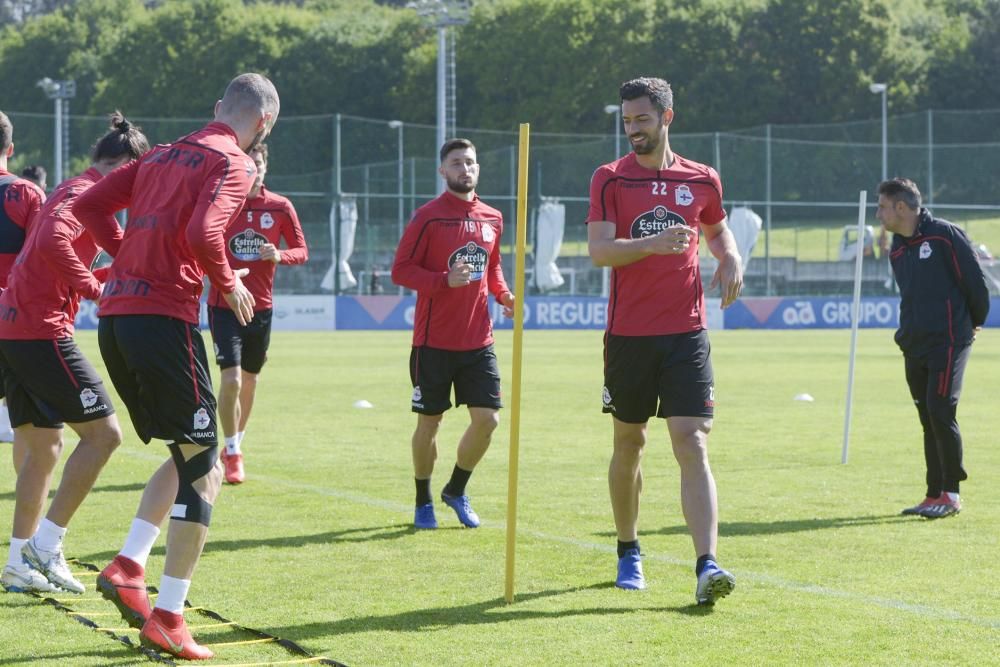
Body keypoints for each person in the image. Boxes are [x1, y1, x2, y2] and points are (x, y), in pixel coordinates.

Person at [72, 73, 279, 660]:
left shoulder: (163, 152)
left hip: (116, 319)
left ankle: (128, 564)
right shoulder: (234, 164)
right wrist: (228, 278)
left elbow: (90, 205)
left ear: (218, 108)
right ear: (263, 122)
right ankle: (167, 615)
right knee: (206, 467)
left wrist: (131, 255)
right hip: (162, 320)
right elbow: (203, 231)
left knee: (187, 450)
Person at [586, 77, 742, 604]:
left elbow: (716, 229)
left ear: (667, 117)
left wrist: (731, 255)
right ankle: (629, 548)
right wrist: (652, 243)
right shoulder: (609, 179)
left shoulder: (702, 179)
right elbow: (601, 251)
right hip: (628, 336)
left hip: (687, 334)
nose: (633, 130)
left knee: (693, 442)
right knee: (630, 443)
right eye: (627, 121)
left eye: (642, 120)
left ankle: (707, 565)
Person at [0, 113, 149, 595]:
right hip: (38, 330)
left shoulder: (79, 191)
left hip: (13, 327)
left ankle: (20, 560)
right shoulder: (83, 194)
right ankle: (46, 545)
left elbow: (121, 254)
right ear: (126, 167)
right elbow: (51, 240)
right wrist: (93, 289)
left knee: (44, 448)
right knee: (104, 436)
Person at [391, 138, 515, 530]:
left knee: (489, 420)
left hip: (479, 340)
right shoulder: (427, 217)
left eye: (471, 162)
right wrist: (444, 280)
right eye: (457, 163)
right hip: (433, 343)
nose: (466, 169)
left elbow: (492, 267)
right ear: (442, 170)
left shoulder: (493, 217)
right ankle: (422, 499)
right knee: (430, 423)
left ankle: (456, 489)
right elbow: (401, 270)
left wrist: (504, 294)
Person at [876, 177, 989, 520]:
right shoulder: (897, 247)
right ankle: (932, 494)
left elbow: (975, 284)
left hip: (949, 340)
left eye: (882, 206)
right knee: (928, 418)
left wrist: (972, 323)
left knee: (941, 410)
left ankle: (951, 495)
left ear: (900, 207)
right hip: (915, 344)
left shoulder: (944, 235)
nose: (878, 213)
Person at [207, 142, 308, 484]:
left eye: (260, 163)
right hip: (224, 304)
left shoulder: (279, 207)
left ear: (266, 166)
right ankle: (233, 451)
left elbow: (302, 250)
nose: (255, 169)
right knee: (232, 378)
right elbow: (200, 241)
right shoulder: (222, 203)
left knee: (250, 380)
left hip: (261, 307)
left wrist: (280, 255)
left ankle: (234, 443)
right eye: (249, 163)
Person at [0, 112, 45, 449]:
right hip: (17, 322)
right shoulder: (27, 194)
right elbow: (44, 258)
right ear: (11, 148)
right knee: (36, 435)